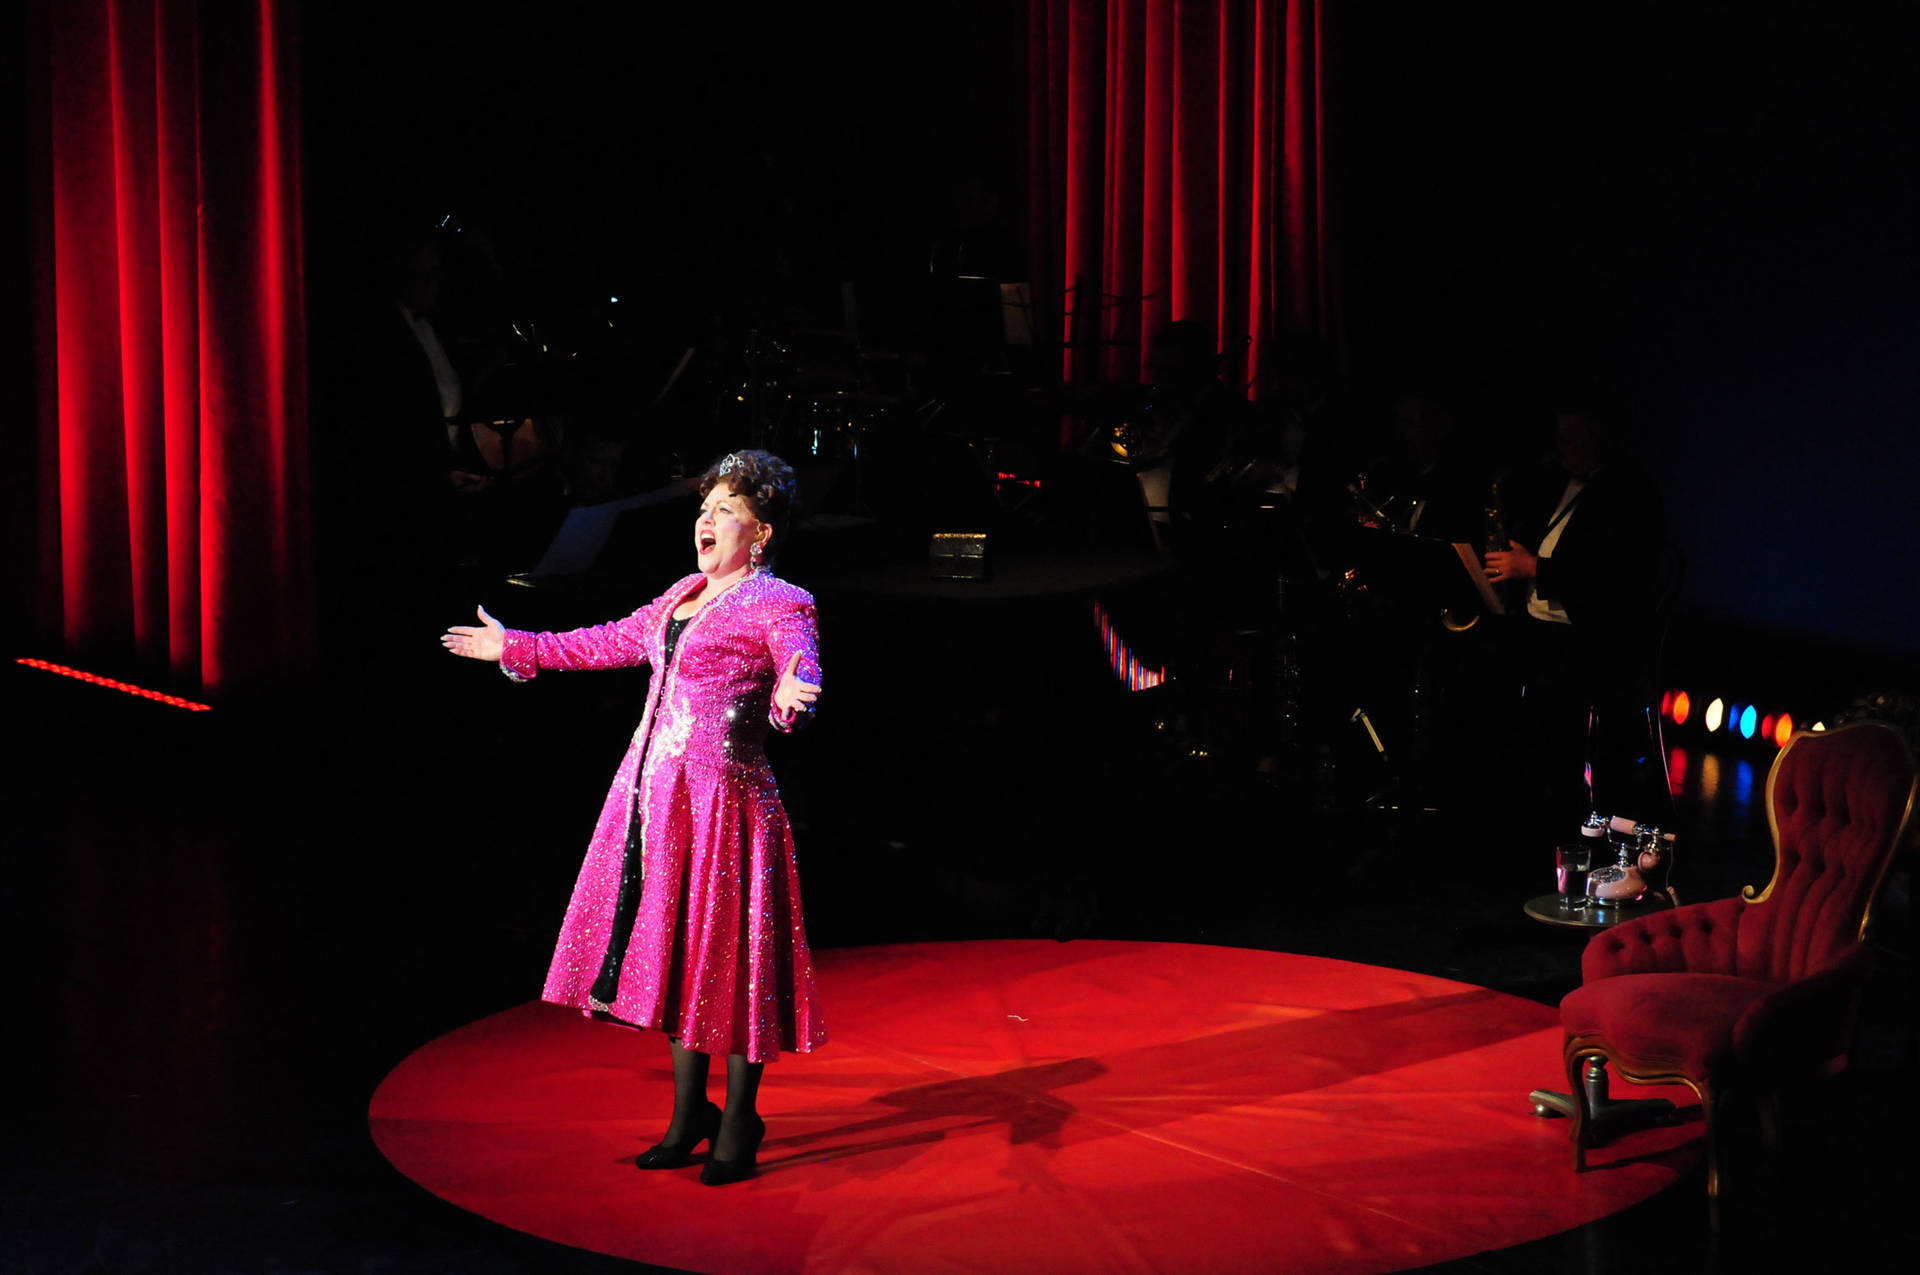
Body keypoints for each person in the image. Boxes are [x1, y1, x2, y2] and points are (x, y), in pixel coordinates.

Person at [441, 449, 825, 1185]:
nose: (705, 521)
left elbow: (796, 666)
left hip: (727, 809)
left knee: (731, 959)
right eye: (704, 508)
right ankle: (689, 1115)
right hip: (656, 802)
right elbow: (606, 640)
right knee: (680, 951)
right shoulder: (681, 592)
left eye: (724, 511)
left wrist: (794, 694)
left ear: (762, 533)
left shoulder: (782, 601)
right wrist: (515, 645)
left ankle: (739, 1118)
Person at [1484, 391, 1675, 842]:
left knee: (1543, 700)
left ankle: (1555, 821)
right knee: (1485, 673)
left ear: (1599, 436)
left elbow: (1617, 577)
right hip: (1543, 630)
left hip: (1595, 638)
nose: (1560, 448)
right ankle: (1503, 813)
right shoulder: (1558, 481)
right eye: (1559, 438)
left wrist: (1534, 568)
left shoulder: (1631, 492)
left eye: (1570, 438)